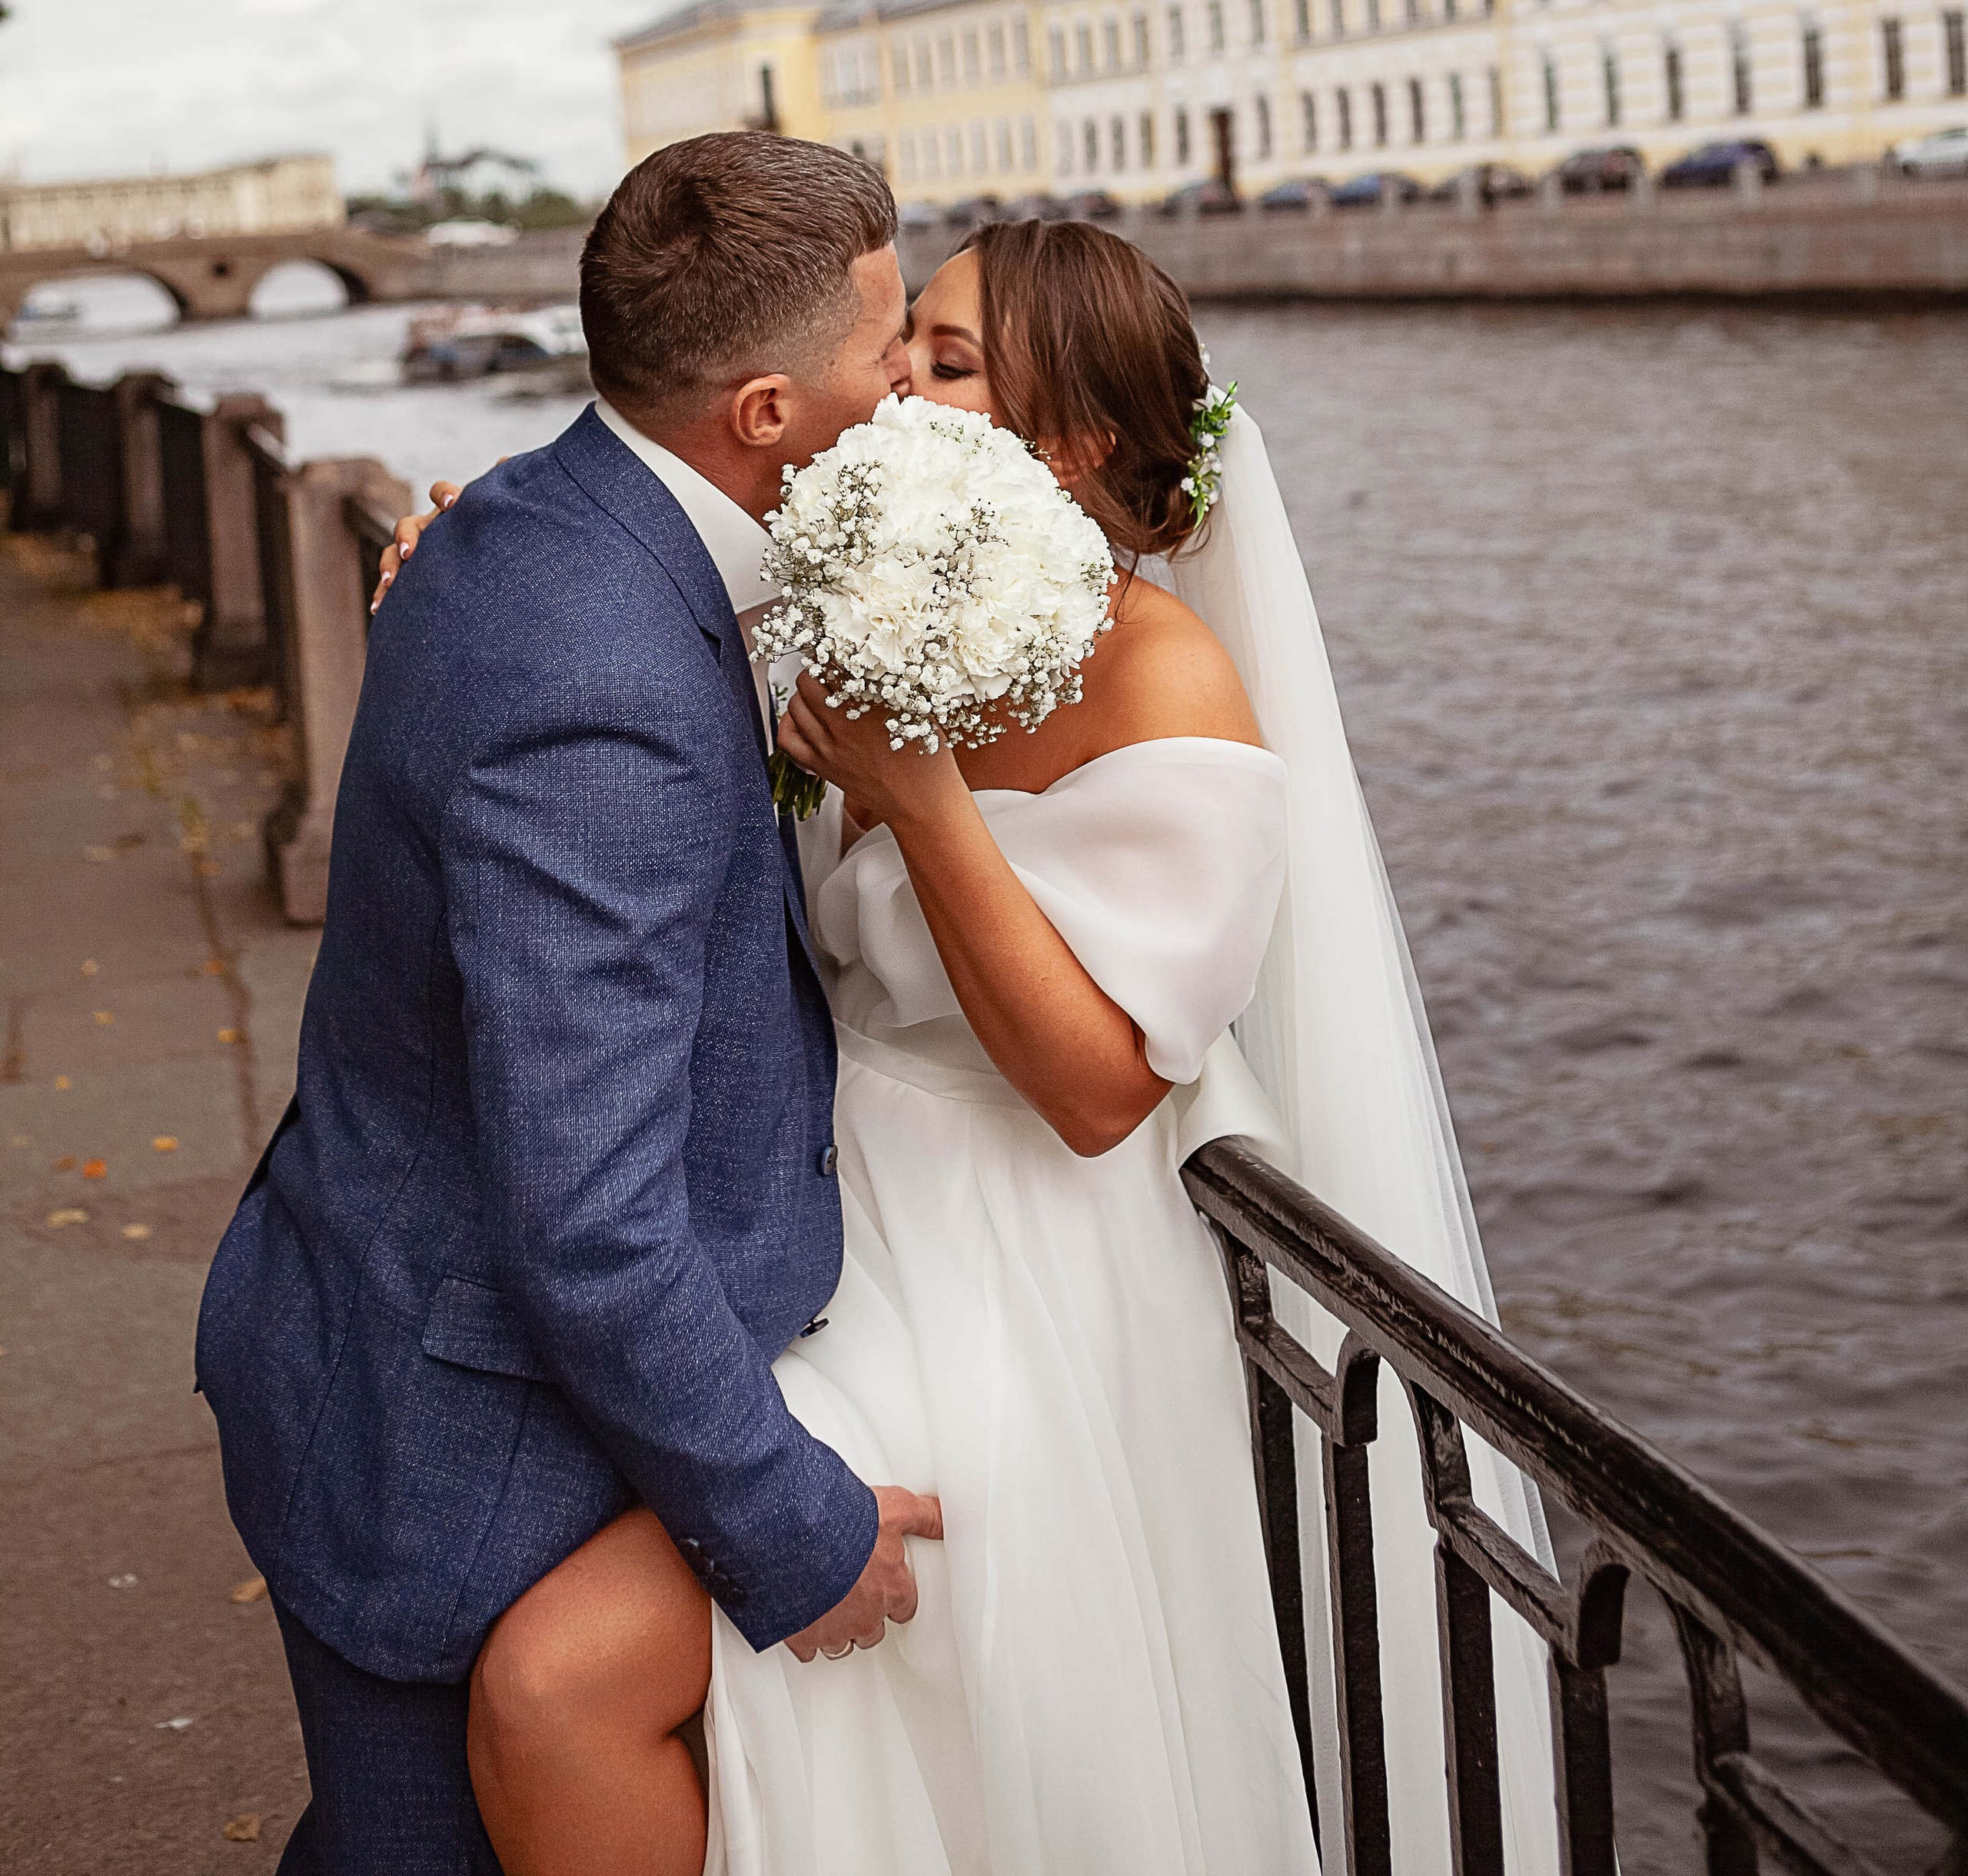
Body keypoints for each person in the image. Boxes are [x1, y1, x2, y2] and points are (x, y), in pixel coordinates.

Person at [374, 212, 1557, 1876]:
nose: (895, 399)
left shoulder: (1169, 685)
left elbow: (1089, 1093)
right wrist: (468, 568)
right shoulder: (859, 599)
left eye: (946, 363)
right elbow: (619, 607)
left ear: (1072, 436)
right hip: (810, 1218)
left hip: (1006, 1273)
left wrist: (920, 796)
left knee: (560, 1683)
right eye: (898, 351)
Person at [196, 133, 944, 1876]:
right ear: (764, 414)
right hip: (459, 1452)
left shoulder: (519, 517)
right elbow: (589, 1219)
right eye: (885, 344)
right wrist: (788, 1527)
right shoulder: (601, 696)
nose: (906, 379)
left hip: (362, 1299)